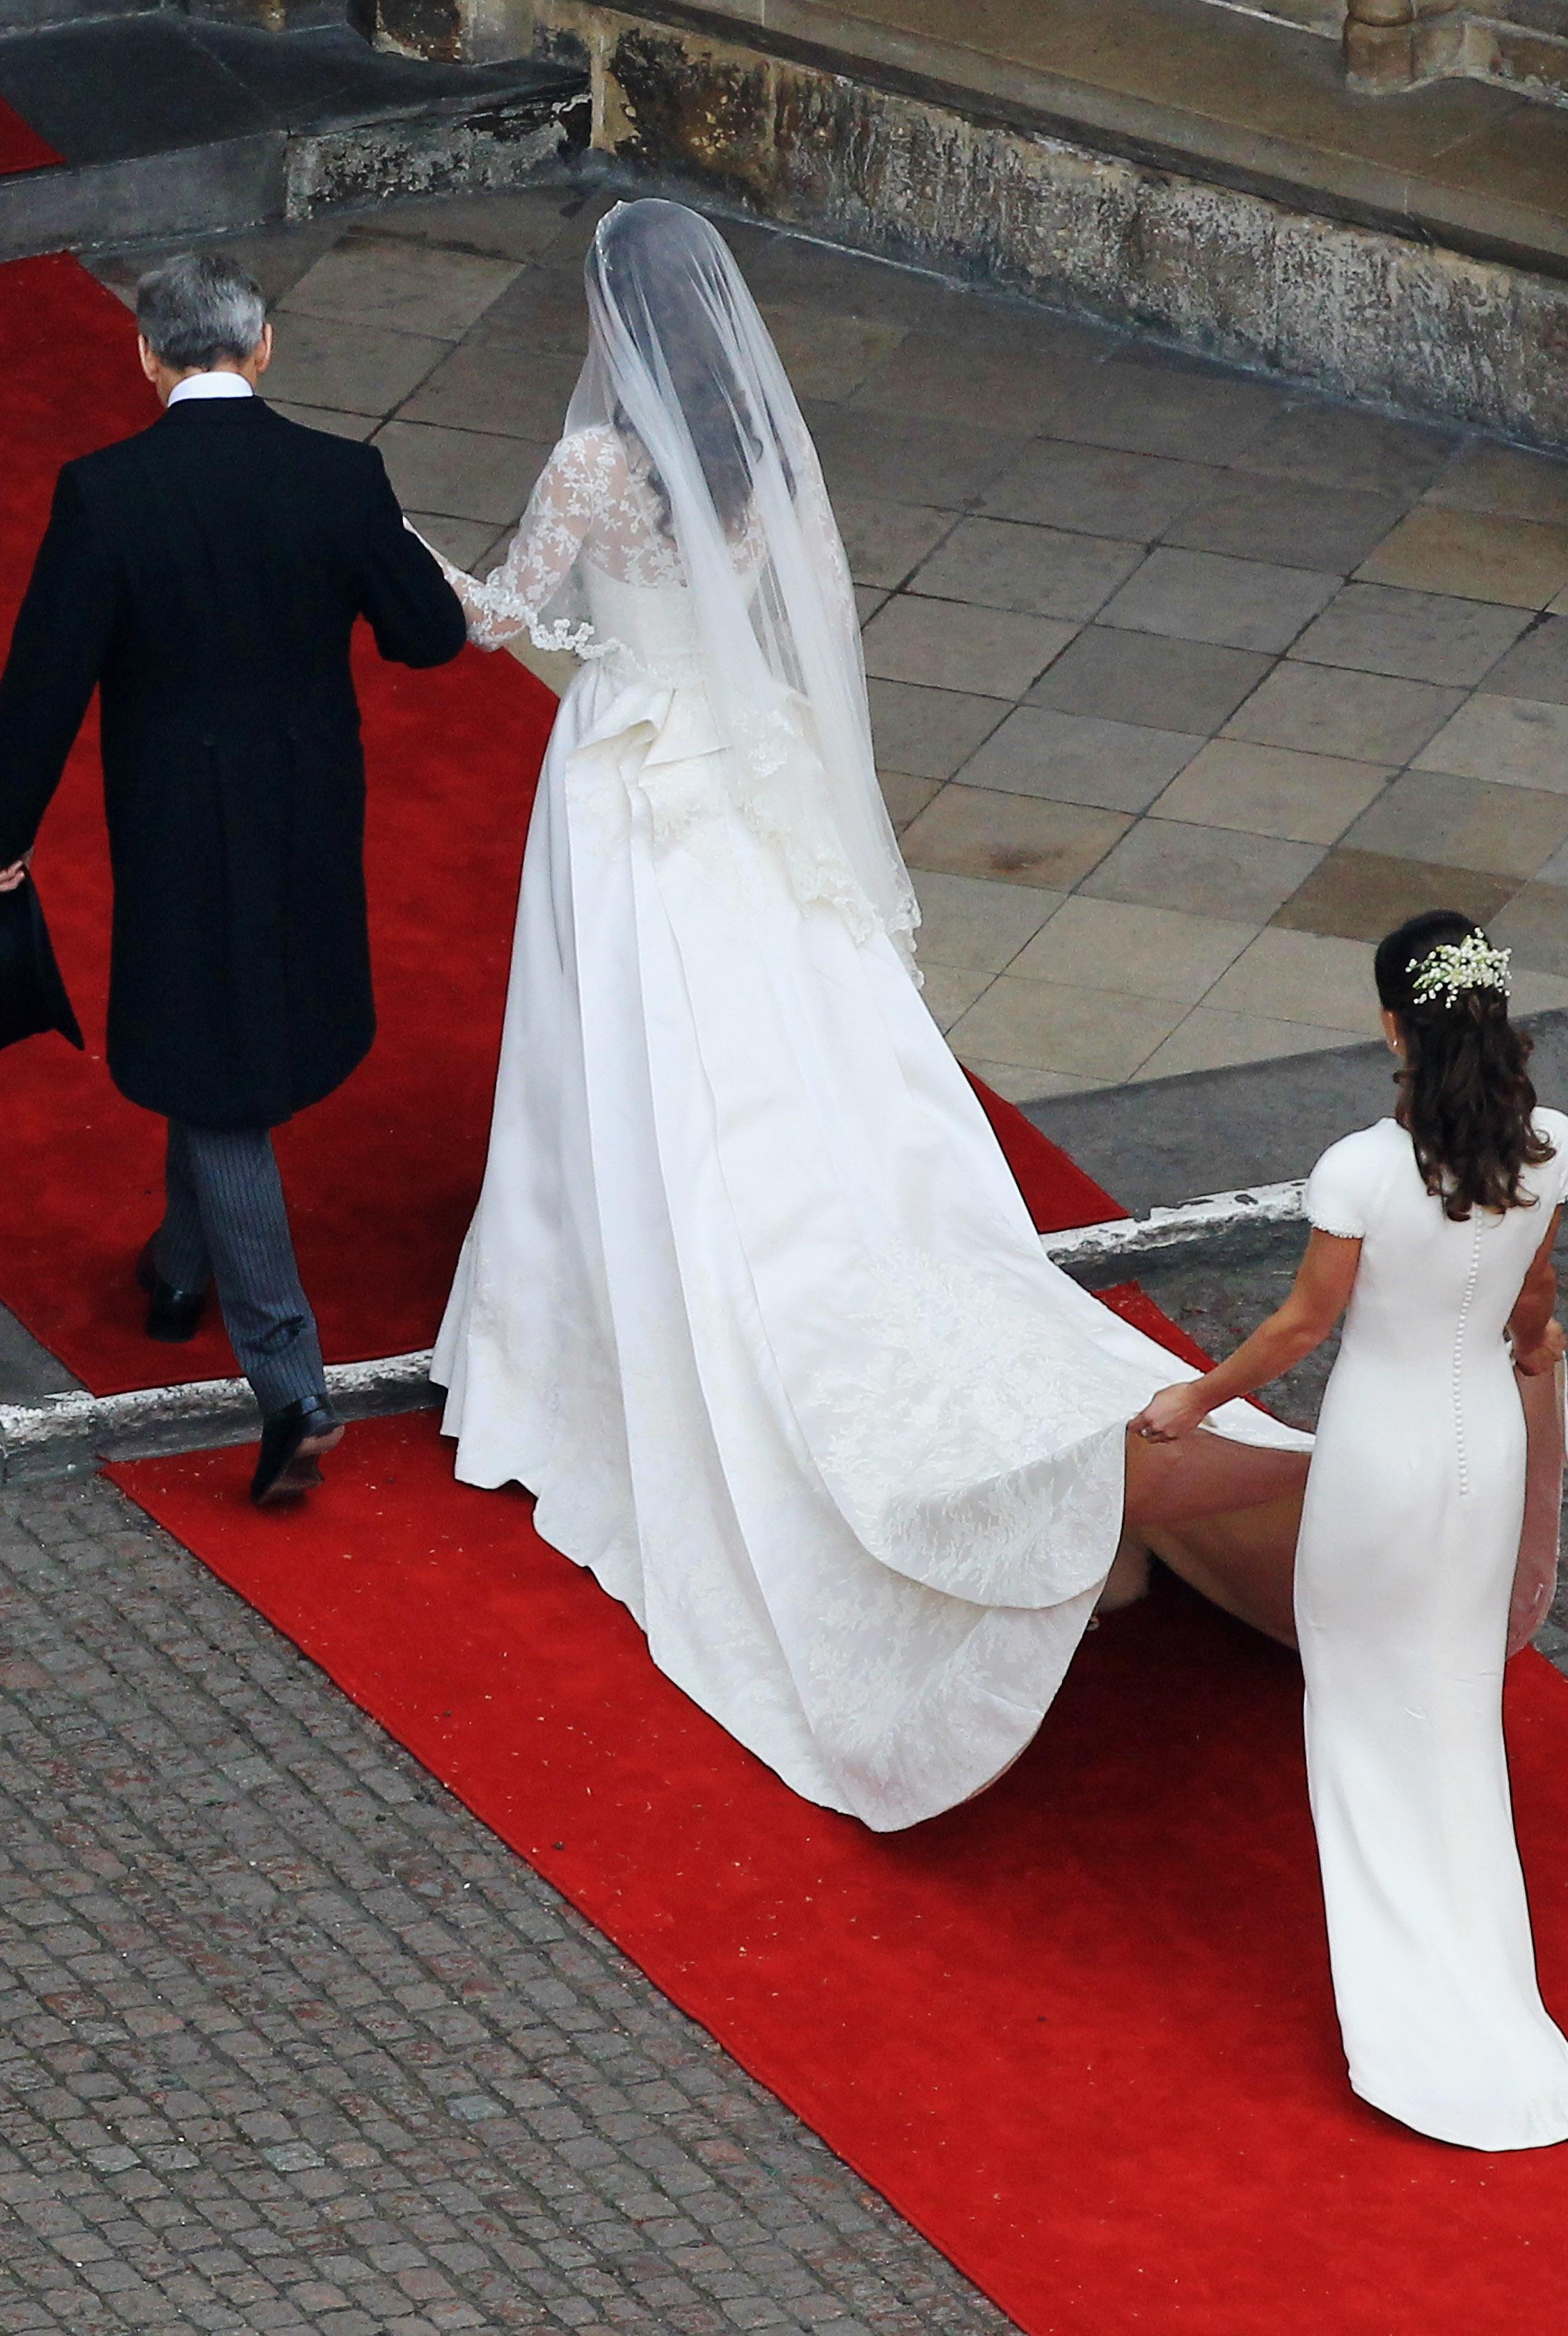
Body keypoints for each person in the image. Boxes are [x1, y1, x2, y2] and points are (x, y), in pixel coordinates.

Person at [415, 198, 1315, 1833]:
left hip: (632, 786)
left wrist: (407, 566)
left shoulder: (594, 472)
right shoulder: (751, 462)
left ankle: (578, 1335)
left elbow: (505, 618)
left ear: (615, 333)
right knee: (789, 1058)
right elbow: (797, 626)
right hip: (744, 781)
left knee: (617, 1070)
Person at [0, 251, 468, 1506]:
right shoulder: (340, 477)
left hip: (176, 823)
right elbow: (426, 636)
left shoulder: (105, 494)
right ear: (264, 347)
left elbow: (47, 681)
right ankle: (179, 1269)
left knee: (211, 1068)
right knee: (225, 1047)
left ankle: (289, 1377)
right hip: (308, 812)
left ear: (145, 356)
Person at [1131, 912, 1568, 2151]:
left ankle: (1416, 2013)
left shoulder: (1361, 1170)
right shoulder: (1546, 1147)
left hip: (1382, 1457)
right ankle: (1491, 1990)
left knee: (1357, 1706)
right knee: (1454, 1702)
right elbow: (1537, 1299)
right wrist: (1525, 1351)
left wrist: (1192, 1397)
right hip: (1483, 1456)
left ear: (1395, 1024)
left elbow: (1302, 1328)